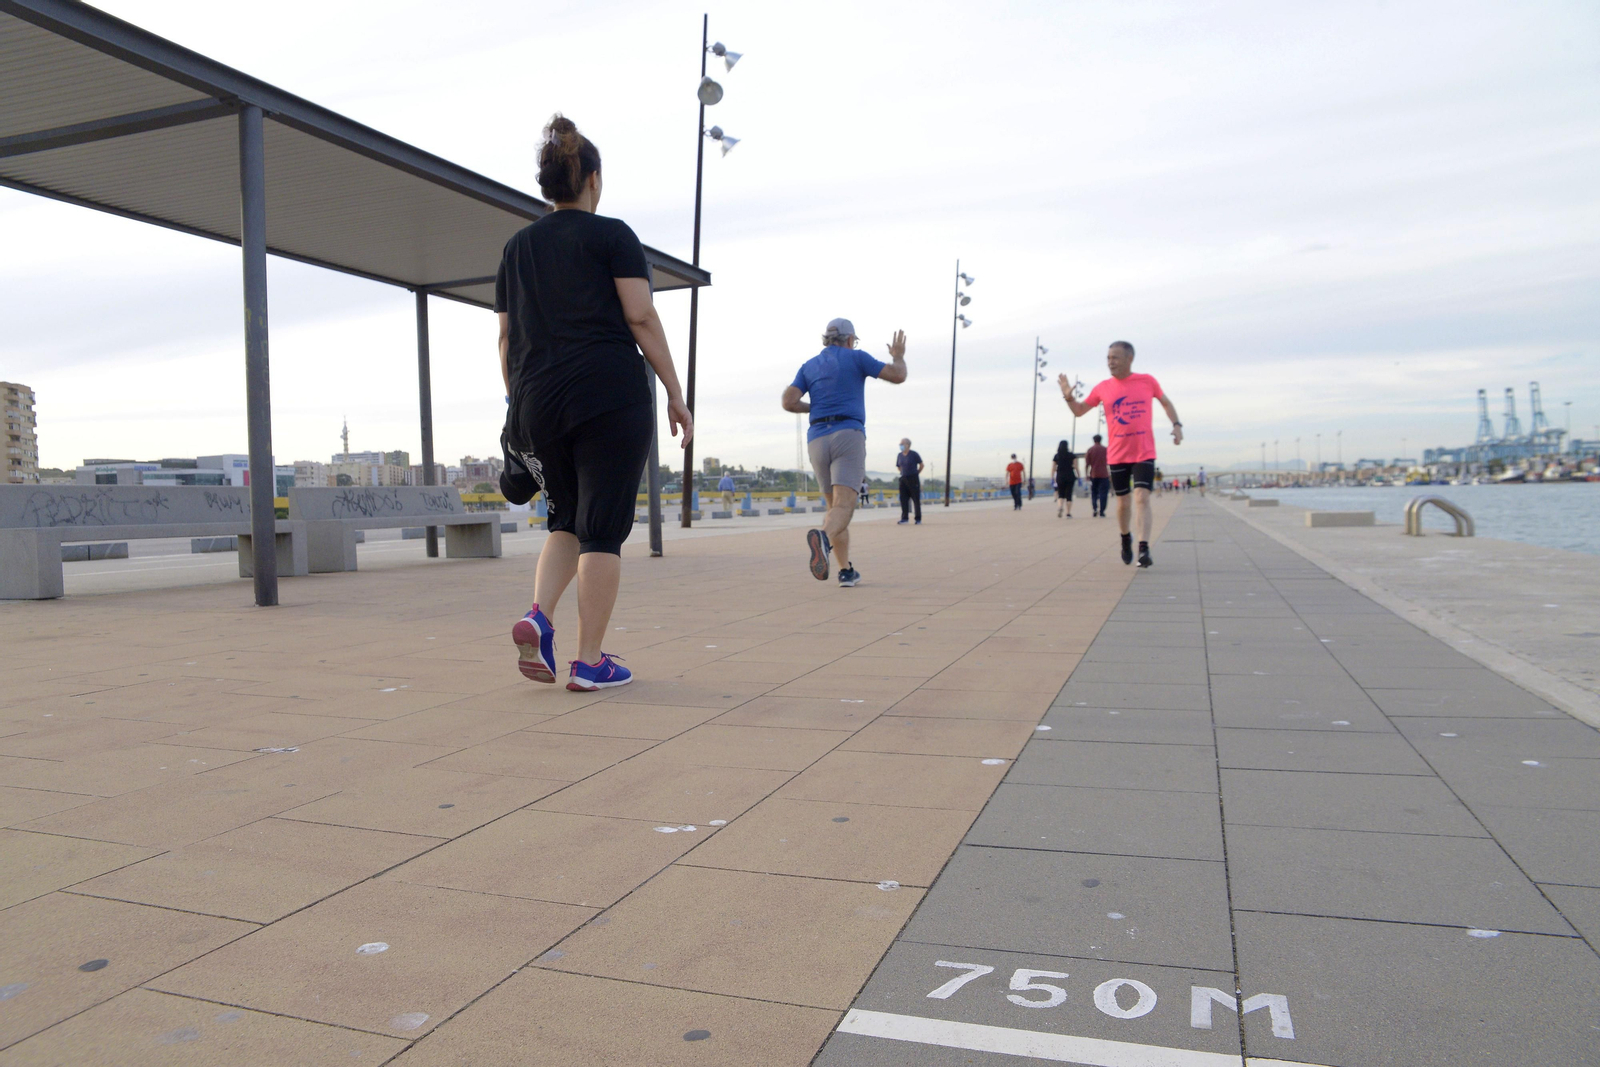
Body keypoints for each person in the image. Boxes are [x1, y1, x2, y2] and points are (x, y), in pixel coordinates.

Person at [499, 115, 692, 691]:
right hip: (608, 392)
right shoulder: (613, 236)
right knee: (601, 529)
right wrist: (676, 394)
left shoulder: (516, 248)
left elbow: (506, 340)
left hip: (537, 400)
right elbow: (640, 315)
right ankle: (589, 662)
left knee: (564, 516)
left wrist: (521, 404)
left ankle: (539, 615)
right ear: (593, 180)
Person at [782, 318, 907, 586]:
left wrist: (813, 409)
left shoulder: (809, 366)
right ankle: (824, 539)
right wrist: (897, 356)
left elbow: (789, 401)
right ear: (850, 340)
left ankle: (846, 570)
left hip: (817, 439)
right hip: (847, 434)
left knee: (833, 508)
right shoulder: (857, 358)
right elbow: (898, 376)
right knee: (843, 507)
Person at [1058, 340, 1182, 568]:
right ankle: (1125, 538)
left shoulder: (1147, 381)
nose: (1110, 362)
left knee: (1142, 497)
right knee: (1124, 503)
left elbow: (1166, 402)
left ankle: (1144, 548)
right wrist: (1068, 397)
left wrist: (1176, 425)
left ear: (1129, 359)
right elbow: (1079, 411)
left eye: (1115, 357)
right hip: (1117, 455)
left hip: (1144, 451)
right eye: (1108, 358)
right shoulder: (1103, 387)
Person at [896, 437, 923, 525]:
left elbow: (921, 465)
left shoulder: (914, 454)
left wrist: (916, 473)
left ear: (907, 445)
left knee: (915, 499)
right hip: (903, 479)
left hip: (913, 478)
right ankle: (904, 518)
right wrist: (902, 472)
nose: (901, 446)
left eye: (902, 444)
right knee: (903, 499)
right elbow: (898, 466)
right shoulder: (899, 455)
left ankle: (918, 519)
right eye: (900, 444)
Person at [1051, 440, 1078, 518]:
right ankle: (1068, 513)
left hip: (1060, 476)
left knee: (1061, 494)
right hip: (1070, 476)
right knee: (1069, 494)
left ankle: (1060, 507)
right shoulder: (1072, 455)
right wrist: (1079, 476)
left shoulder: (1056, 456)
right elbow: (1076, 467)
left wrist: (1052, 477)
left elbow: (1053, 468)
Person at [1085, 433, 1110, 517]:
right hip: (1104, 474)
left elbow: (1087, 464)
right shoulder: (1105, 449)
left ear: (1093, 440)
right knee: (1103, 493)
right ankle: (1102, 511)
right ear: (1101, 440)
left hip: (1093, 474)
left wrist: (1086, 474)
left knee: (1094, 492)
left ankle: (1095, 508)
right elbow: (1109, 461)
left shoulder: (1090, 450)